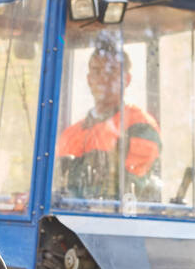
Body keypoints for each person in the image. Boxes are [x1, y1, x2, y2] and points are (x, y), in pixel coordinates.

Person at [56, 34, 161, 200]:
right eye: (96, 71)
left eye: (111, 71)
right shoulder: (70, 133)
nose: (103, 78)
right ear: (89, 79)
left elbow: (130, 188)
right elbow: (55, 184)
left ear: (126, 80)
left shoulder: (140, 126)